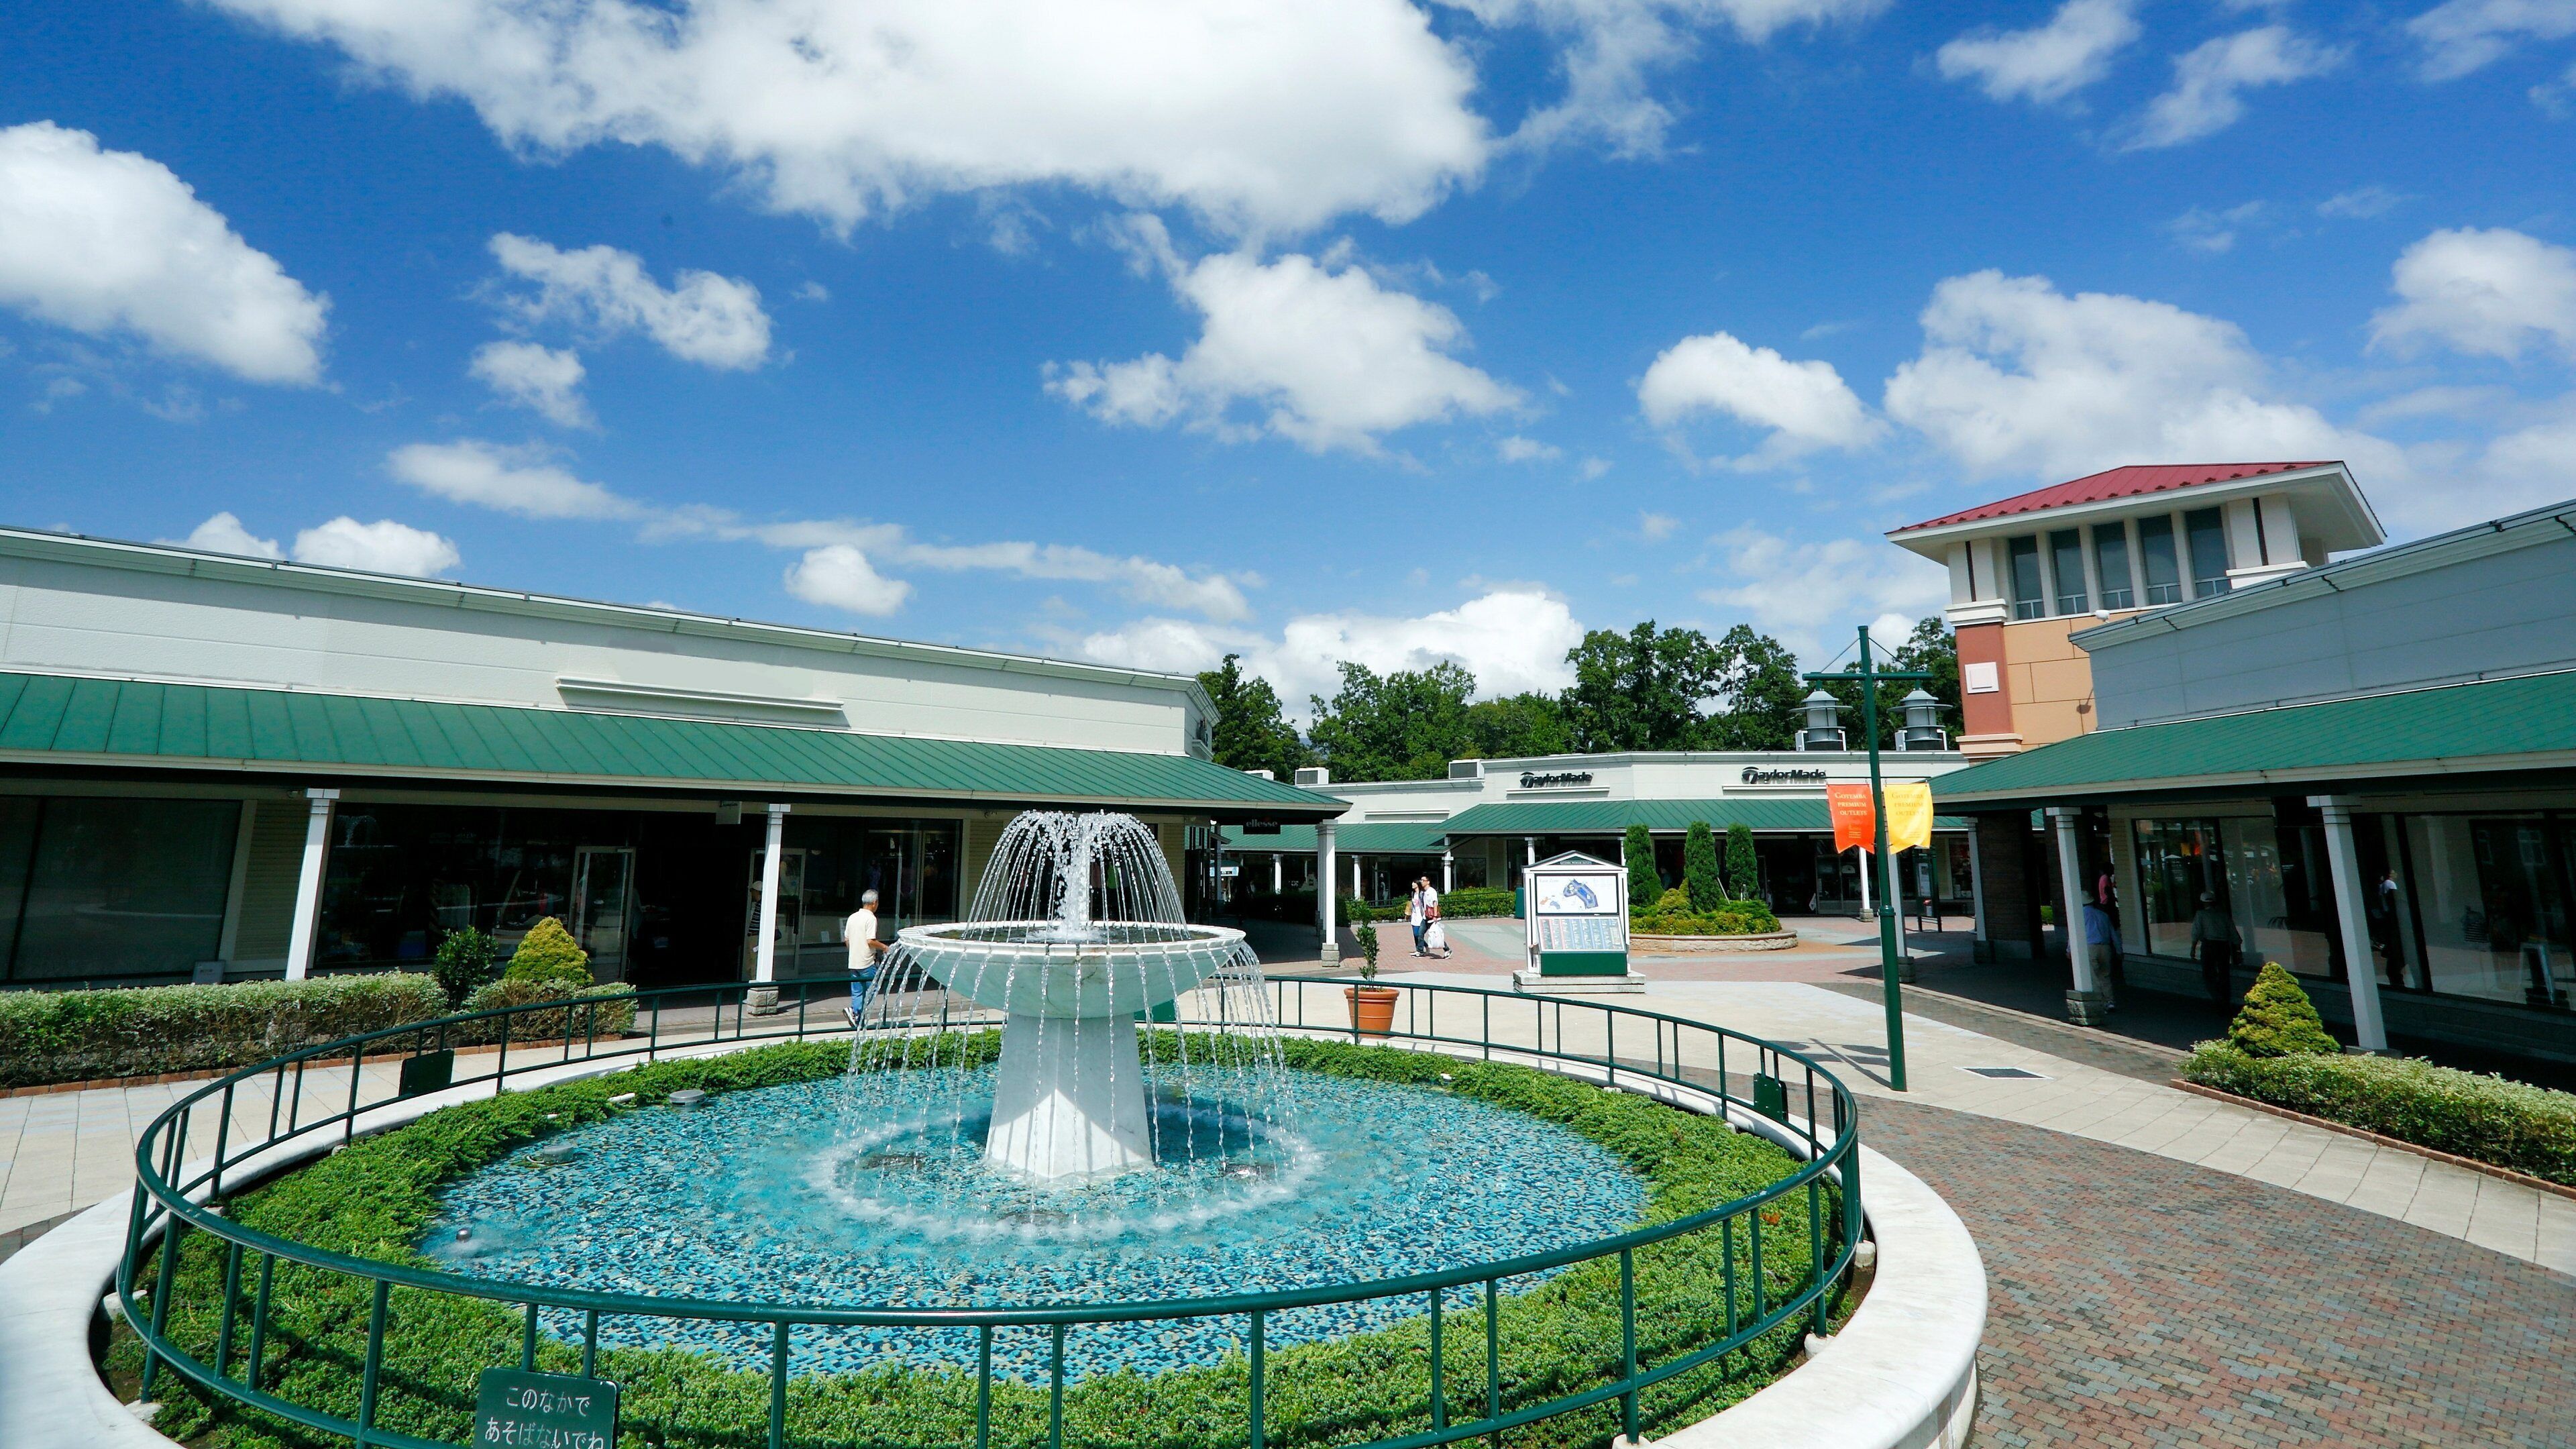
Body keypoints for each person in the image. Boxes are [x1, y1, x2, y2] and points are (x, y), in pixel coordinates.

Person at [844, 889, 891, 1016]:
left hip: (853, 961)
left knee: (857, 991)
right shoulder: (871, 918)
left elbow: (847, 940)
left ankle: (856, 1016)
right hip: (867, 962)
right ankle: (856, 1012)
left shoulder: (852, 917)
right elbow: (870, 941)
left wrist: (854, 951)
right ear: (874, 903)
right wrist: (884, 947)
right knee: (873, 989)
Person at [2190, 891, 2239, 1008]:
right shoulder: (2223, 915)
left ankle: (2217, 998)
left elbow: (2196, 931)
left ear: (2203, 903)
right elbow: (2233, 933)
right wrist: (2238, 950)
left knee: (2208, 973)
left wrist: (2193, 948)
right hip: (2223, 946)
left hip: (2209, 945)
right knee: (2224, 973)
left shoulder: (2201, 914)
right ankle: (2225, 999)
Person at [2081, 899, 2118, 1009]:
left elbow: (2076, 932)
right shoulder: (2103, 915)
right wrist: (2119, 950)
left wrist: (2069, 949)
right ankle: (2110, 1001)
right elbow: (2113, 933)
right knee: (2105, 975)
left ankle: (2100, 1002)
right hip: (2105, 947)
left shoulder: (2081, 915)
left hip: (2090, 947)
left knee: (2094, 976)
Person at [1407, 875, 1438, 957]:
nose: (1412, 884)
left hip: (1421, 916)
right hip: (1414, 917)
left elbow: (1432, 903)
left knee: (1419, 934)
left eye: (1414, 883)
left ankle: (1423, 948)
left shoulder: (1422, 894)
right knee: (1416, 935)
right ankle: (1418, 950)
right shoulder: (1413, 894)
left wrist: (1434, 915)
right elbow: (1412, 905)